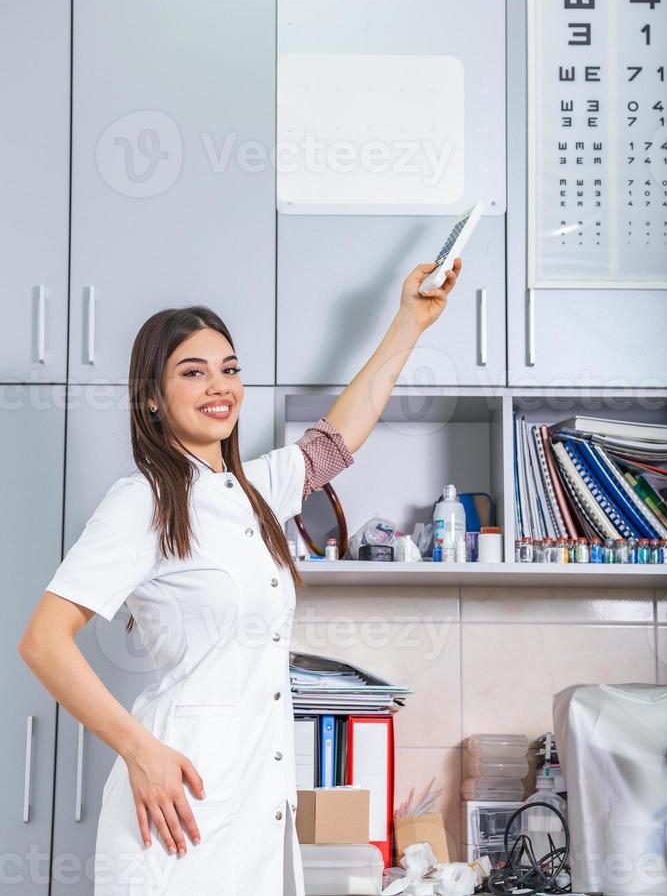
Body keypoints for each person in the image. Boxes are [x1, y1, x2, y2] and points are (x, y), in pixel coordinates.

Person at [18, 258, 461, 895]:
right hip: (175, 817)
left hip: (251, 810)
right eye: (192, 372)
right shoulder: (142, 501)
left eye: (229, 369)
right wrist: (140, 751)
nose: (218, 386)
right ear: (152, 396)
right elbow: (43, 640)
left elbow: (342, 433)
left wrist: (410, 322)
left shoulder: (252, 492)